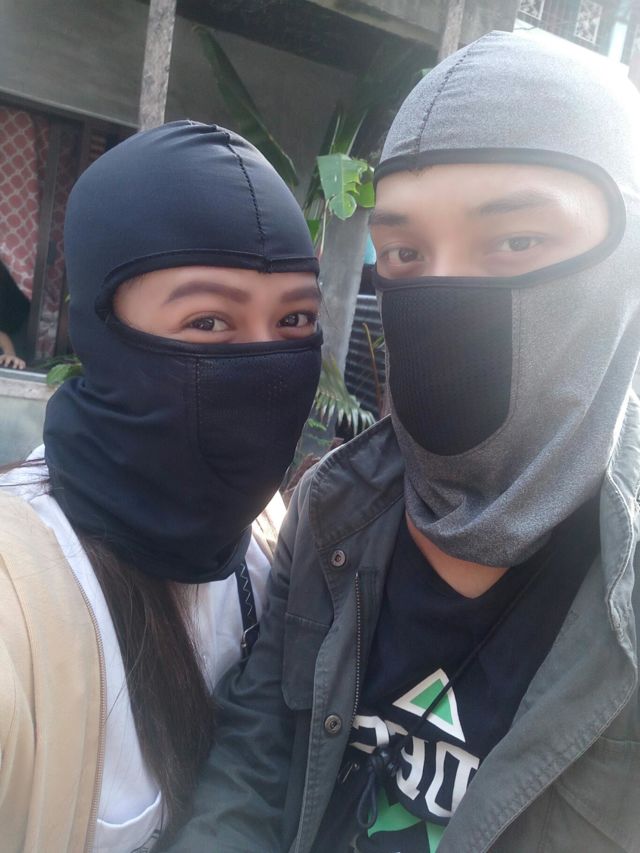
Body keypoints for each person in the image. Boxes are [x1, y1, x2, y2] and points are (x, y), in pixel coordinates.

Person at [167, 30, 640, 853]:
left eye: (517, 241)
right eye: (405, 252)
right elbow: (255, 757)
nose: (443, 290)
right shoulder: (334, 506)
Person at [0, 120, 322, 852]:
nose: (266, 362)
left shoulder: (268, 543)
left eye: (295, 318)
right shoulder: (20, 589)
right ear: (99, 329)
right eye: (208, 319)